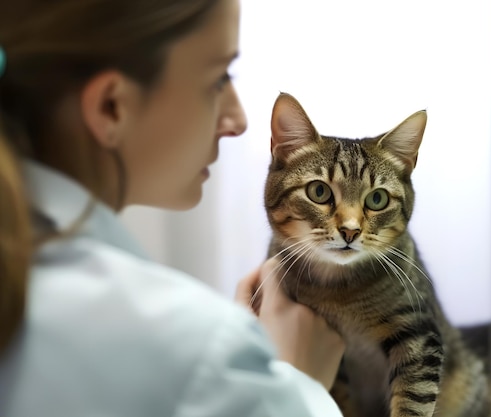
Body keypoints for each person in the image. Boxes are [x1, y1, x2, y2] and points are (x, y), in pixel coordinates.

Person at [0, 0, 346, 416]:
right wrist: (293, 384)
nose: (238, 121)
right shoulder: (191, 350)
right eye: (220, 78)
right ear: (112, 107)